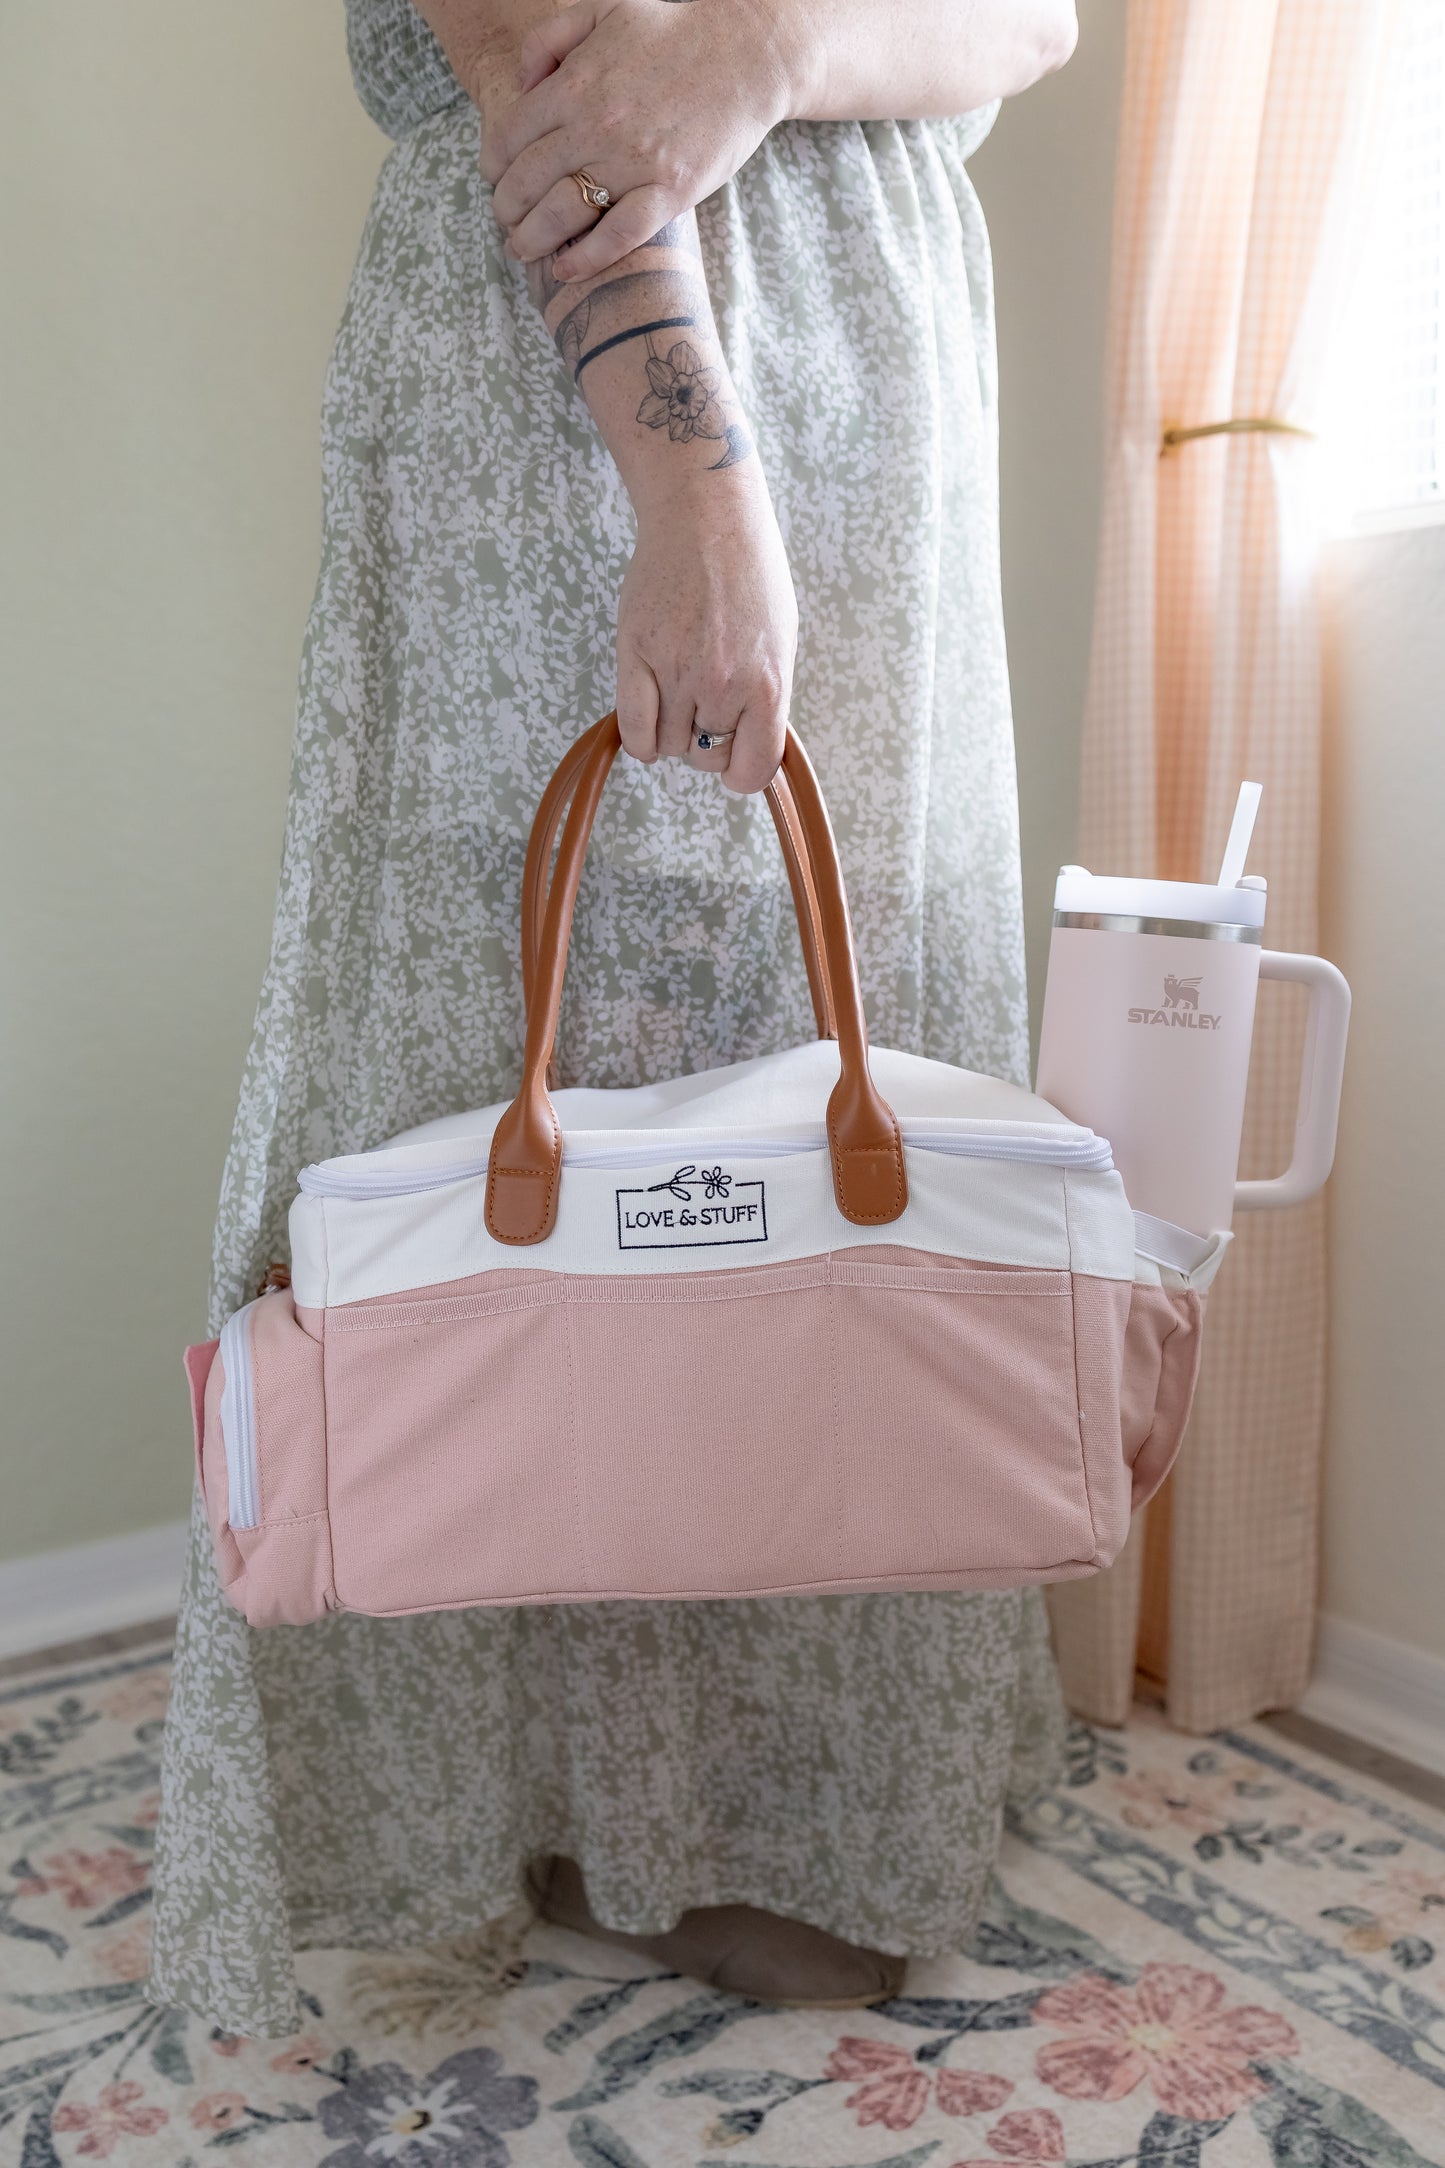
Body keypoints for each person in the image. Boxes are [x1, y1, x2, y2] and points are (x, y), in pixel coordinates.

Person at [150, 0, 1079, 2033]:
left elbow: (1033, 18)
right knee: (538, 1097)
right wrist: (695, 495)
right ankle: (528, 1797)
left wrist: (772, 45)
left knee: (808, 1124)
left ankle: (791, 1816)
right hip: (588, 383)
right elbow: (532, 54)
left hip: (881, 358)